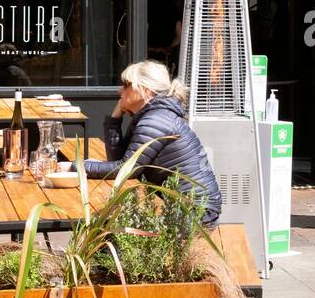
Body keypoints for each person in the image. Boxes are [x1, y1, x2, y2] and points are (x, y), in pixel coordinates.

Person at [81, 60, 222, 225]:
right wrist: (115, 117)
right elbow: (119, 160)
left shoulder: (156, 120)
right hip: (187, 207)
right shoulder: (152, 116)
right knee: (112, 219)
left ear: (145, 90)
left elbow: (125, 170)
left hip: (195, 212)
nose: (120, 90)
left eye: (126, 85)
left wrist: (78, 167)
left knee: (110, 221)